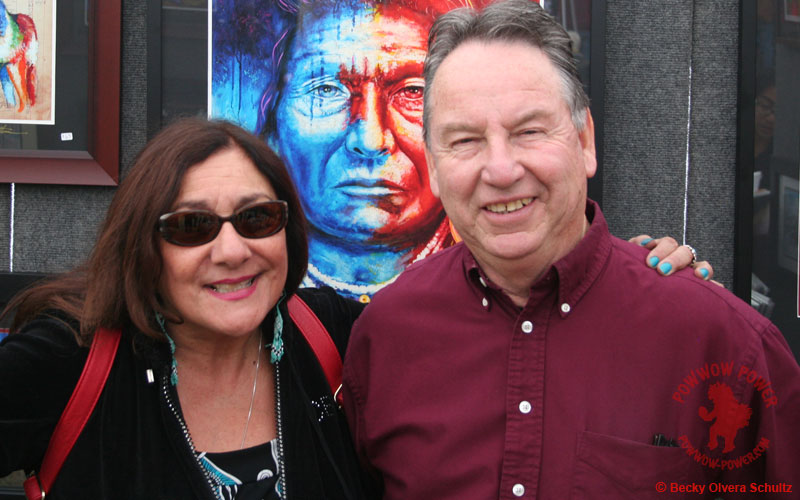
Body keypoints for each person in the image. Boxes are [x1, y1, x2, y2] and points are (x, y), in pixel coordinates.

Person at [341, 1, 800, 498]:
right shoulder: (386, 337)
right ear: (433, 165)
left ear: (584, 142)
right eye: (466, 140)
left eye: (529, 132)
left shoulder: (722, 343)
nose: (501, 170)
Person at [226, 0, 708, 300]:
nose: (370, 138)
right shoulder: (371, 332)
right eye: (326, 91)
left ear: (583, 140)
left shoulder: (692, 322)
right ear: (272, 119)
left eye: (410, 92)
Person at [0, 118, 377, 499]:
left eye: (256, 218)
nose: (232, 252)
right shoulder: (70, 357)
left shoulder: (338, 334)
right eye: (193, 225)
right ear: (143, 245)